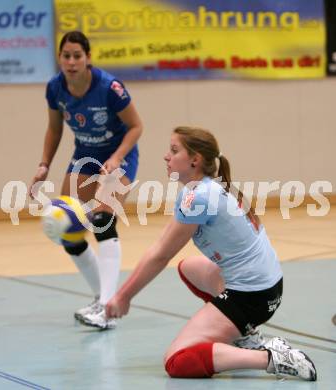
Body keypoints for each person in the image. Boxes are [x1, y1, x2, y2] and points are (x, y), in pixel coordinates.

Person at [105, 126, 317, 381]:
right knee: (188, 268)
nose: (166, 156)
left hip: (252, 297)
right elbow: (164, 249)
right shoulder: (207, 188)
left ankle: (272, 357)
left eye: (174, 151)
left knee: (178, 360)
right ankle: (246, 336)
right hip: (268, 287)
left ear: (195, 160)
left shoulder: (199, 197)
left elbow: (160, 254)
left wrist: (123, 296)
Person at [29, 31, 143, 329]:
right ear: (59, 58)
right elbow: (54, 129)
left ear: (88, 58)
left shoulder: (110, 88)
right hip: (85, 155)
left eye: (77, 55)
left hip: (119, 155)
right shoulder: (55, 88)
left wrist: (117, 157)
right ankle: (100, 296)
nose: (71, 61)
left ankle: (108, 308)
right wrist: (44, 165)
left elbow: (136, 126)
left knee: (104, 220)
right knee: (69, 227)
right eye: (66, 55)